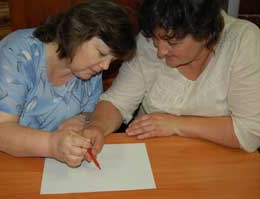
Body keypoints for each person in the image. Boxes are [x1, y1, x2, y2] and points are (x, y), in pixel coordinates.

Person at [0, 0, 136, 167]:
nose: (106, 66)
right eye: (101, 53)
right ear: (77, 33)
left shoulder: (91, 72)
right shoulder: (18, 53)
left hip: (44, 165)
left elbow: (89, 113)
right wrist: (52, 144)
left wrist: (81, 121)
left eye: (112, 60)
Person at [84, 0, 260, 154]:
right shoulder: (151, 38)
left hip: (219, 163)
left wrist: (176, 125)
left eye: (172, 42)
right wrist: (97, 127)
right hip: (152, 159)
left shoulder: (243, 41)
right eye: (155, 39)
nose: (160, 51)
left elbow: (250, 132)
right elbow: (117, 102)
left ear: (206, 34)